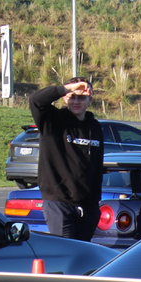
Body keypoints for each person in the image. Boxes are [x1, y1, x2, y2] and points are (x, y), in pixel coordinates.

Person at [29, 77, 104, 241]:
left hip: (88, 206)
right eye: (72, 96)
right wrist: (66, 88)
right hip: (59, 203)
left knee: (82, 257)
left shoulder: (95, 127)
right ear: (65, 98)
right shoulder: (52, 120)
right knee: (67, 254)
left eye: (81, 97)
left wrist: (95, 202)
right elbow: (35, 100)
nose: (76, 101)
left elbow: (97, 166)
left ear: (90, 99)